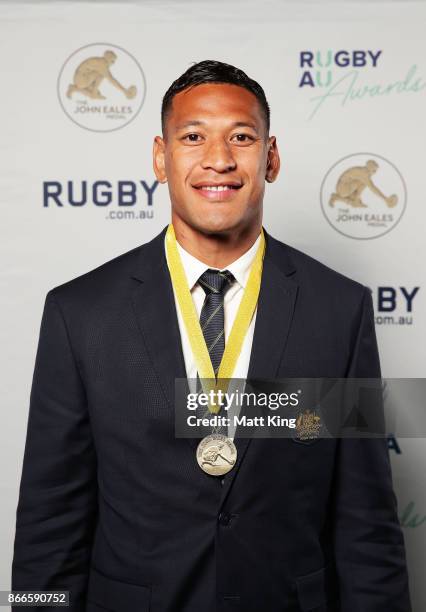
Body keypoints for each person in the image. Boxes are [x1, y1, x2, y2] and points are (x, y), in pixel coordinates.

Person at [12, 60, 411, 612]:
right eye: (193, 136)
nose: (218, 159)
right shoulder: (79, 312)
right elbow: (49, 520)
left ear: (270, 158)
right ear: (160, 157)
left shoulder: (339, 309)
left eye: (241, 137)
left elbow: (366, 523)